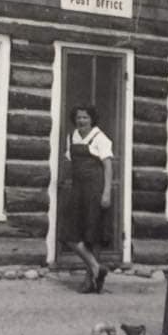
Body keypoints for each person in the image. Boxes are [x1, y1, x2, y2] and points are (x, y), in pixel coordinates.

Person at [59, 104, 113, 293]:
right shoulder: (72, 136)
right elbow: (69, 162)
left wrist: (106, 192)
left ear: (92, 120)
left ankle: (90, 281)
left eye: (85, 118)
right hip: (77, 189)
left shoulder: (100, 138)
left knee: (93, 234)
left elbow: (107, 167)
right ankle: (97, 267)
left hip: (95, 189)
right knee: (70, 235)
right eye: (79, 117)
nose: (81, 121)